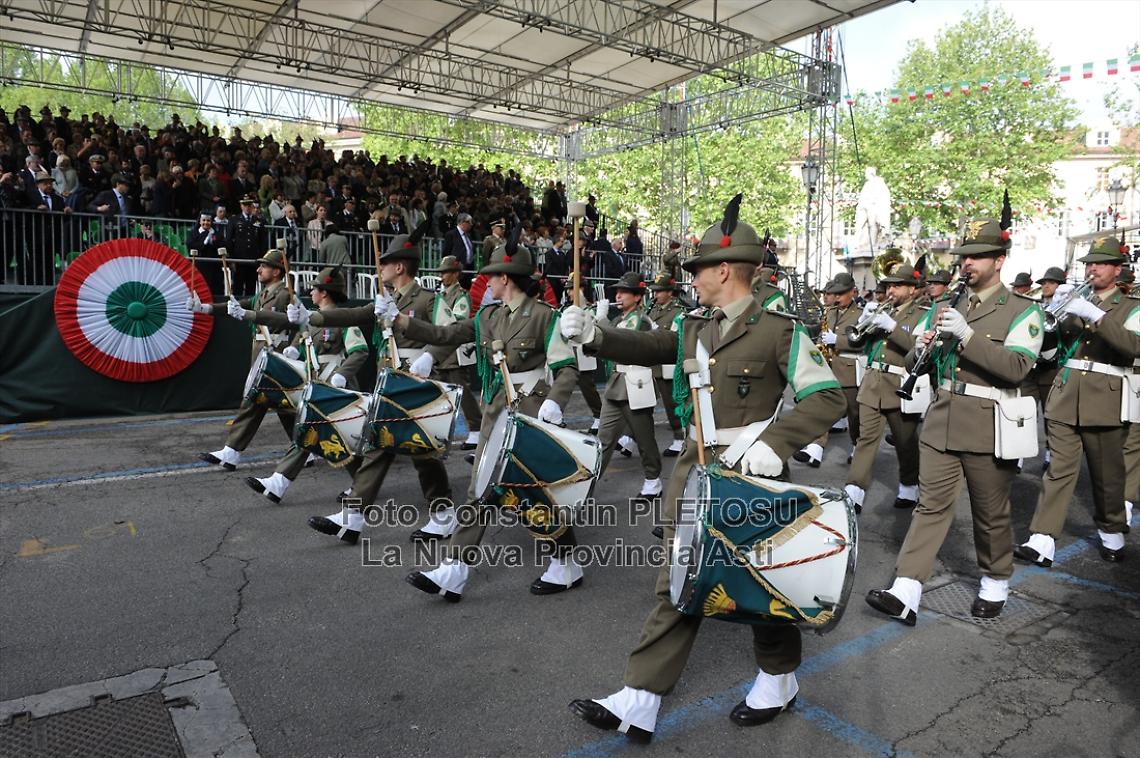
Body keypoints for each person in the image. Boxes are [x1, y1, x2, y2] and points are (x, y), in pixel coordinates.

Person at [560, 194, 845, 740]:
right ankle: (640, 697)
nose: (690, 278)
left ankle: (780, 678)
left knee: (760, 586)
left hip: (750, 475)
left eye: (696, 270)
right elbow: (652, 343)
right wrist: (596, 336)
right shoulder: (697, 323)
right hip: (695, 471)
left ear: (723, 270)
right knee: (680, 578)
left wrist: (777, 443)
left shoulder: (779, 329)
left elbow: (827, 399)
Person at [866, 201, 1044, 624]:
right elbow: (914, 364)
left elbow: (1017, 367)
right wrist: (921, 346)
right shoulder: (949, 305)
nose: (967, 264)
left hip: (988, 423)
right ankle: (906, 588)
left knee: (990, 510)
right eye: (964, 257)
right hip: (943, 418)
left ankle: (996, 579)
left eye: (977, 257)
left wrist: (965, 338)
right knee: (930, 506)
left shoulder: (1024, 311)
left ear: (999, 261)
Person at [400, 228, 582, 599]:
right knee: (480, 487)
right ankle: (455, 568)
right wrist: (403, 323)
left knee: (535, 491)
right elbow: (448, 334)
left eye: (491, 276)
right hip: (497, 409)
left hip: (531, 408)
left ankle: (566, 561)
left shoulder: (545, 317)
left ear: (505, 279)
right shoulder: (490, 316)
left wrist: (555, 401)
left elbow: (566, 367)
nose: (486, 282)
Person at [292, 224, 454, 544]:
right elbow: (351, 315)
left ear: (399, 267)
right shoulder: (384, 299)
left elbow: (451, 332)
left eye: (384, 263)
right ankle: (354, 517)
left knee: (423, 452)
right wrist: (310, 317)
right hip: (391, 380)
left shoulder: (426, 299)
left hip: (415, 381)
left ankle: (443, 515)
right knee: (380, 444)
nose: (379, 268)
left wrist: (430, 356)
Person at [1013, 233, 1140, 566]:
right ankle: (1042, 536)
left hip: (1106, 398)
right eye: (1089, 264)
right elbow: (1050, 349)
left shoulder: (1131, 307)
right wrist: (1050, 318)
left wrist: (1096, 316)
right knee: (1059, 469)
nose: (1092, 270)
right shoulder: (1073, 301)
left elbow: (1133, 347)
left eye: (1100, 264)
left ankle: (1112, 528)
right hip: (1066, 394)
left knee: (1107, 474)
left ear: (1117, 269)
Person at [244, 266, 369, 504]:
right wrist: (295, 349)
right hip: (316, 382)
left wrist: (341, 374)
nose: (310, 292)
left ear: (325, 293)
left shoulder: (344, 320)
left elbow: (359, 351)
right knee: (314, 433)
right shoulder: (311, 319)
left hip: (336, 385)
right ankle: (279, 483)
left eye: (314, 289)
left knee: (333, 436)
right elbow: (303, 343)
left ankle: (280, 482)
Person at [193, 249, 297, 470]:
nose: (258, 270)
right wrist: (204, 308)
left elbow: (291, 322)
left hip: (277, 354)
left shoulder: (285, 294)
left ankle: (232, 451)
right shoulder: (262, 295)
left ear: (277, 271)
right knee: (284, 407)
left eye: (264, 266)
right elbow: (235, 307)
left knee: (261, 402)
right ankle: (303, 448)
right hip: (262, 355)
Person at [842, 263, 932, 512]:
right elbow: (858, 342)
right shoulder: (883, 309)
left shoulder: (923, 313)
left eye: (897, 285)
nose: (891, 290)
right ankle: (854, 489)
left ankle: (909, 485)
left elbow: (920, 349)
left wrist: (891, 327)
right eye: (889, 285)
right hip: (873, 382)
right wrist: (864, 320)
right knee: (865, 438)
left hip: (900, 384)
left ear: (912, 290)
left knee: (905, 441)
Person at [595, 273, 662, 500]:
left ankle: (653, 480)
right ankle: (586, 484)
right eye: (617, 291)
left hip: (636, 385)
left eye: (624, 292)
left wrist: (601, 321)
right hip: (617, 384)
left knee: (644, 438)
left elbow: (622, 343)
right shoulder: (619, 319)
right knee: (603, 439)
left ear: (637, 297)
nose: (618, 295)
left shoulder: (639, 320)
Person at [802, 273, 863, 466]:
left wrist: (839, 341)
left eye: (841, 294)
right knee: (823, 408)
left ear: (852, 292)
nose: (837, 298)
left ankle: (857, 447)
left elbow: (864, 343)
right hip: (829, 368)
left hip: (850, 370)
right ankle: (816, 447)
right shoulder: (830, 312)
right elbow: (822, 337)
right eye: (835, 294)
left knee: (854, 414)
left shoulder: (862, 314)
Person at [428, 255, 482, 452]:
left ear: (456, 274)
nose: (442, 276)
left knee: (463, 391)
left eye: (446, 272)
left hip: (454, 351)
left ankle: (476, 428)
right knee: (441, 394)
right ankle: (441, 431)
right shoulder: (439, 296)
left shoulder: (460, 295)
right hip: (439, 348)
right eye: (441, 273)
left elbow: (458, 320)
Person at [645, 273, 687, 457]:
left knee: (671, 403)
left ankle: (680, 437)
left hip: (666, 365)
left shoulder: (678, 311)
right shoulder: (652, 309)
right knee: (641, 403)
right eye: (654, 291)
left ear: (670, 292)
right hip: (650, 362)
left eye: (660, 291)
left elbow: (676, 337)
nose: (656, 295)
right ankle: (631, 437)